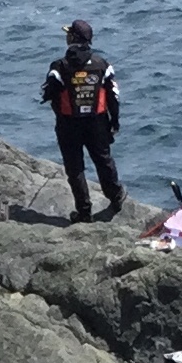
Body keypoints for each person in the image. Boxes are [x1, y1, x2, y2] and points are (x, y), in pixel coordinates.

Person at [41, 19, 122, 222]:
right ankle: (115, 197)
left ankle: (84, 212)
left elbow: (48, 93)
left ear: (72, 39)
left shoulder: (59, 67)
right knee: (103, 160)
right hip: (97, 122)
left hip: (68, 124)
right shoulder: (102, 64)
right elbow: (113, 96)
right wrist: (114, 122)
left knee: (75, 167)